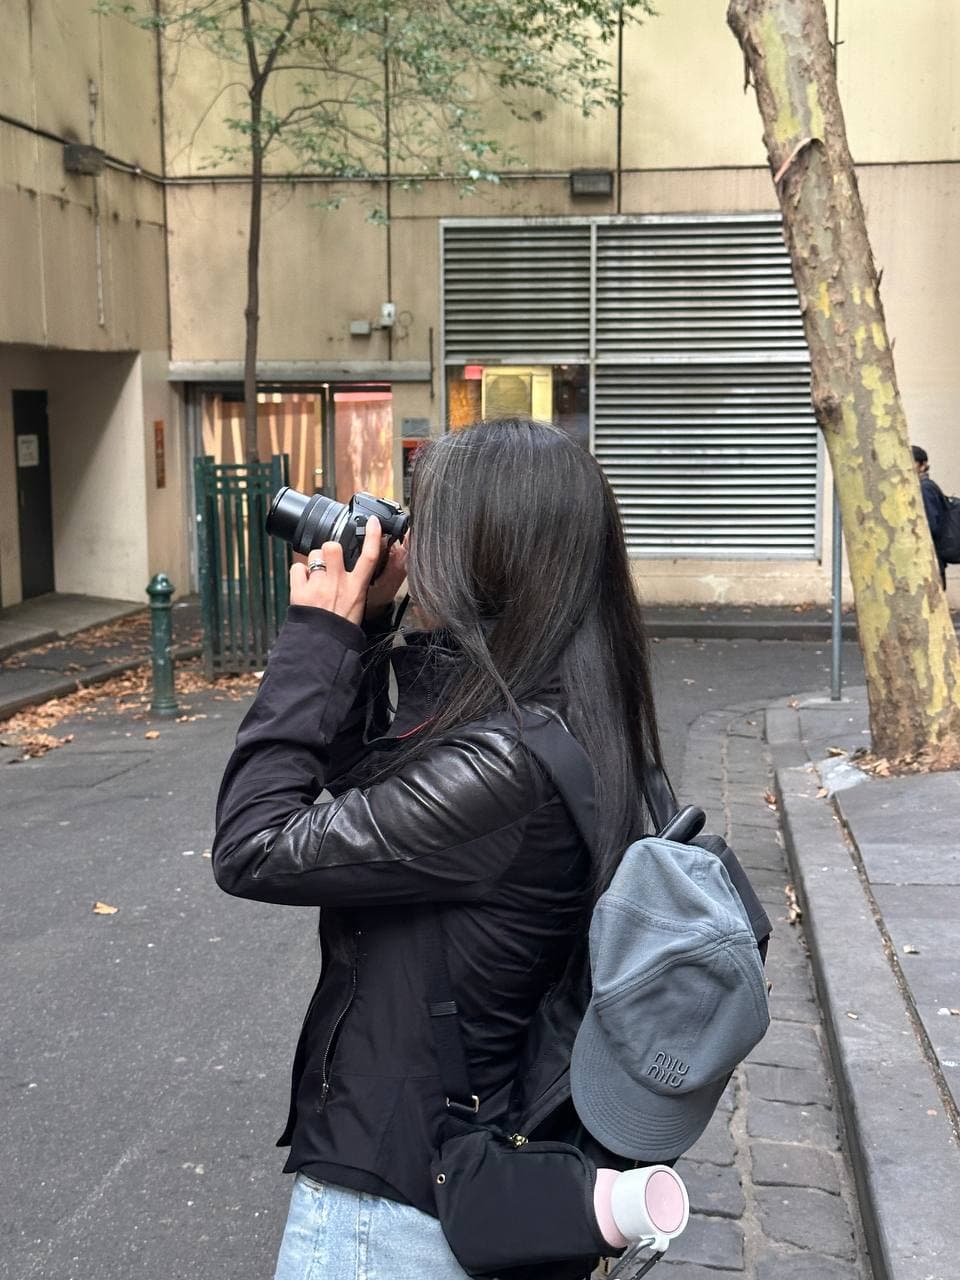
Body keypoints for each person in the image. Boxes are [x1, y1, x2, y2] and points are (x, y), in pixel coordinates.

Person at [211, 418, 667, 1278]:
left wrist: (317, 638)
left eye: (429, 525)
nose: (410, 545)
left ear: (484, 553)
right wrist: (373, 623)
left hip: (394, 1209)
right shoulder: (571, 714)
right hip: (465, 1164)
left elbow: (254, 844)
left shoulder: (505, 766)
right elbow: (373, 812)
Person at [913, 444, 947, 588]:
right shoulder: (924, 486)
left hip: (931, 554)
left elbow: (932, 525)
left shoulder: (925, 488)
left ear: (922, 465)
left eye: (912, 462)